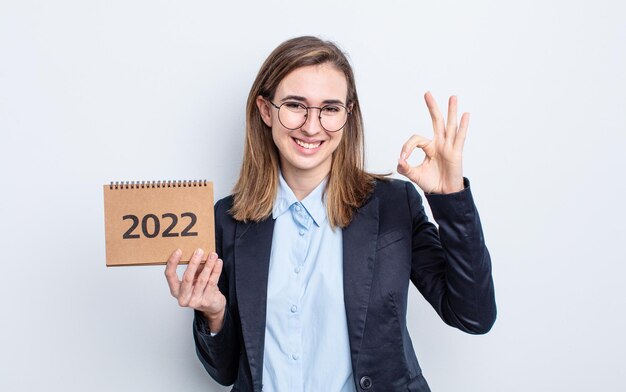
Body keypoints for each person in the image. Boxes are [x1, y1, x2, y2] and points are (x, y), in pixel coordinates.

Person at [165, 36, 496, 392]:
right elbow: (226, 371)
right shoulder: (226, 220)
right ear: (265, 110)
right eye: (295, 105)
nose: (311, 126)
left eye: (330, 108)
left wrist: (451, 197)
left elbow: (473, 315)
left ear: (347, 114)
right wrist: (214, 314)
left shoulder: (395, 205)